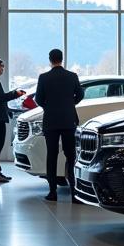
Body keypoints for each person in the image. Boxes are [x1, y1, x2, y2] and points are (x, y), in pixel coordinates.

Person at [34, 48, 84, 201]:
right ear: (62, 59)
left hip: (51, 121)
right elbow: (80, 94)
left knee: (52, 155)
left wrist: (49, 107)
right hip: (69, 120)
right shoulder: (72, 76)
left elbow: (38, 99)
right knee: (71, 156)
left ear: (50, 60)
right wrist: (69, 104)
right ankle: (74, 193)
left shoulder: (44, 78)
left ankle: (52, 192)